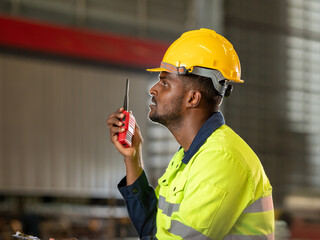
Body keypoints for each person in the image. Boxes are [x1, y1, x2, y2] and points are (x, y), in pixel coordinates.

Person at [107, 28, 274, 240]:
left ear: (192, 98)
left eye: (165, 82)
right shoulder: (188, 157)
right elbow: (153, 229)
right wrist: (133, 158)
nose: (154, 89)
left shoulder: (221, 159)